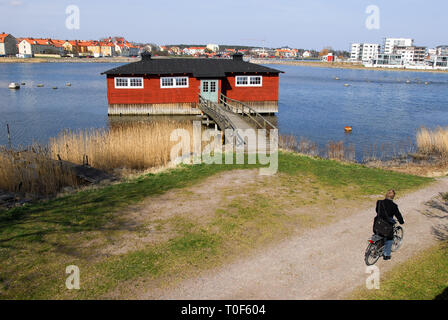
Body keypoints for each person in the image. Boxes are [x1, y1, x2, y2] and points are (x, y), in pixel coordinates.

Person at [373, 189, 405, 260]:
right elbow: (398, 215)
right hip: (386, 226)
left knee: (378, 234)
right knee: (389, 238)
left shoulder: (379, 202)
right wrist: (401, 221)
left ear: (386, 194)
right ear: (393, 197)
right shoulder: (394, 206)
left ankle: (375, 247)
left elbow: (376, 210)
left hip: (377, 224)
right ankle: (387, 255)